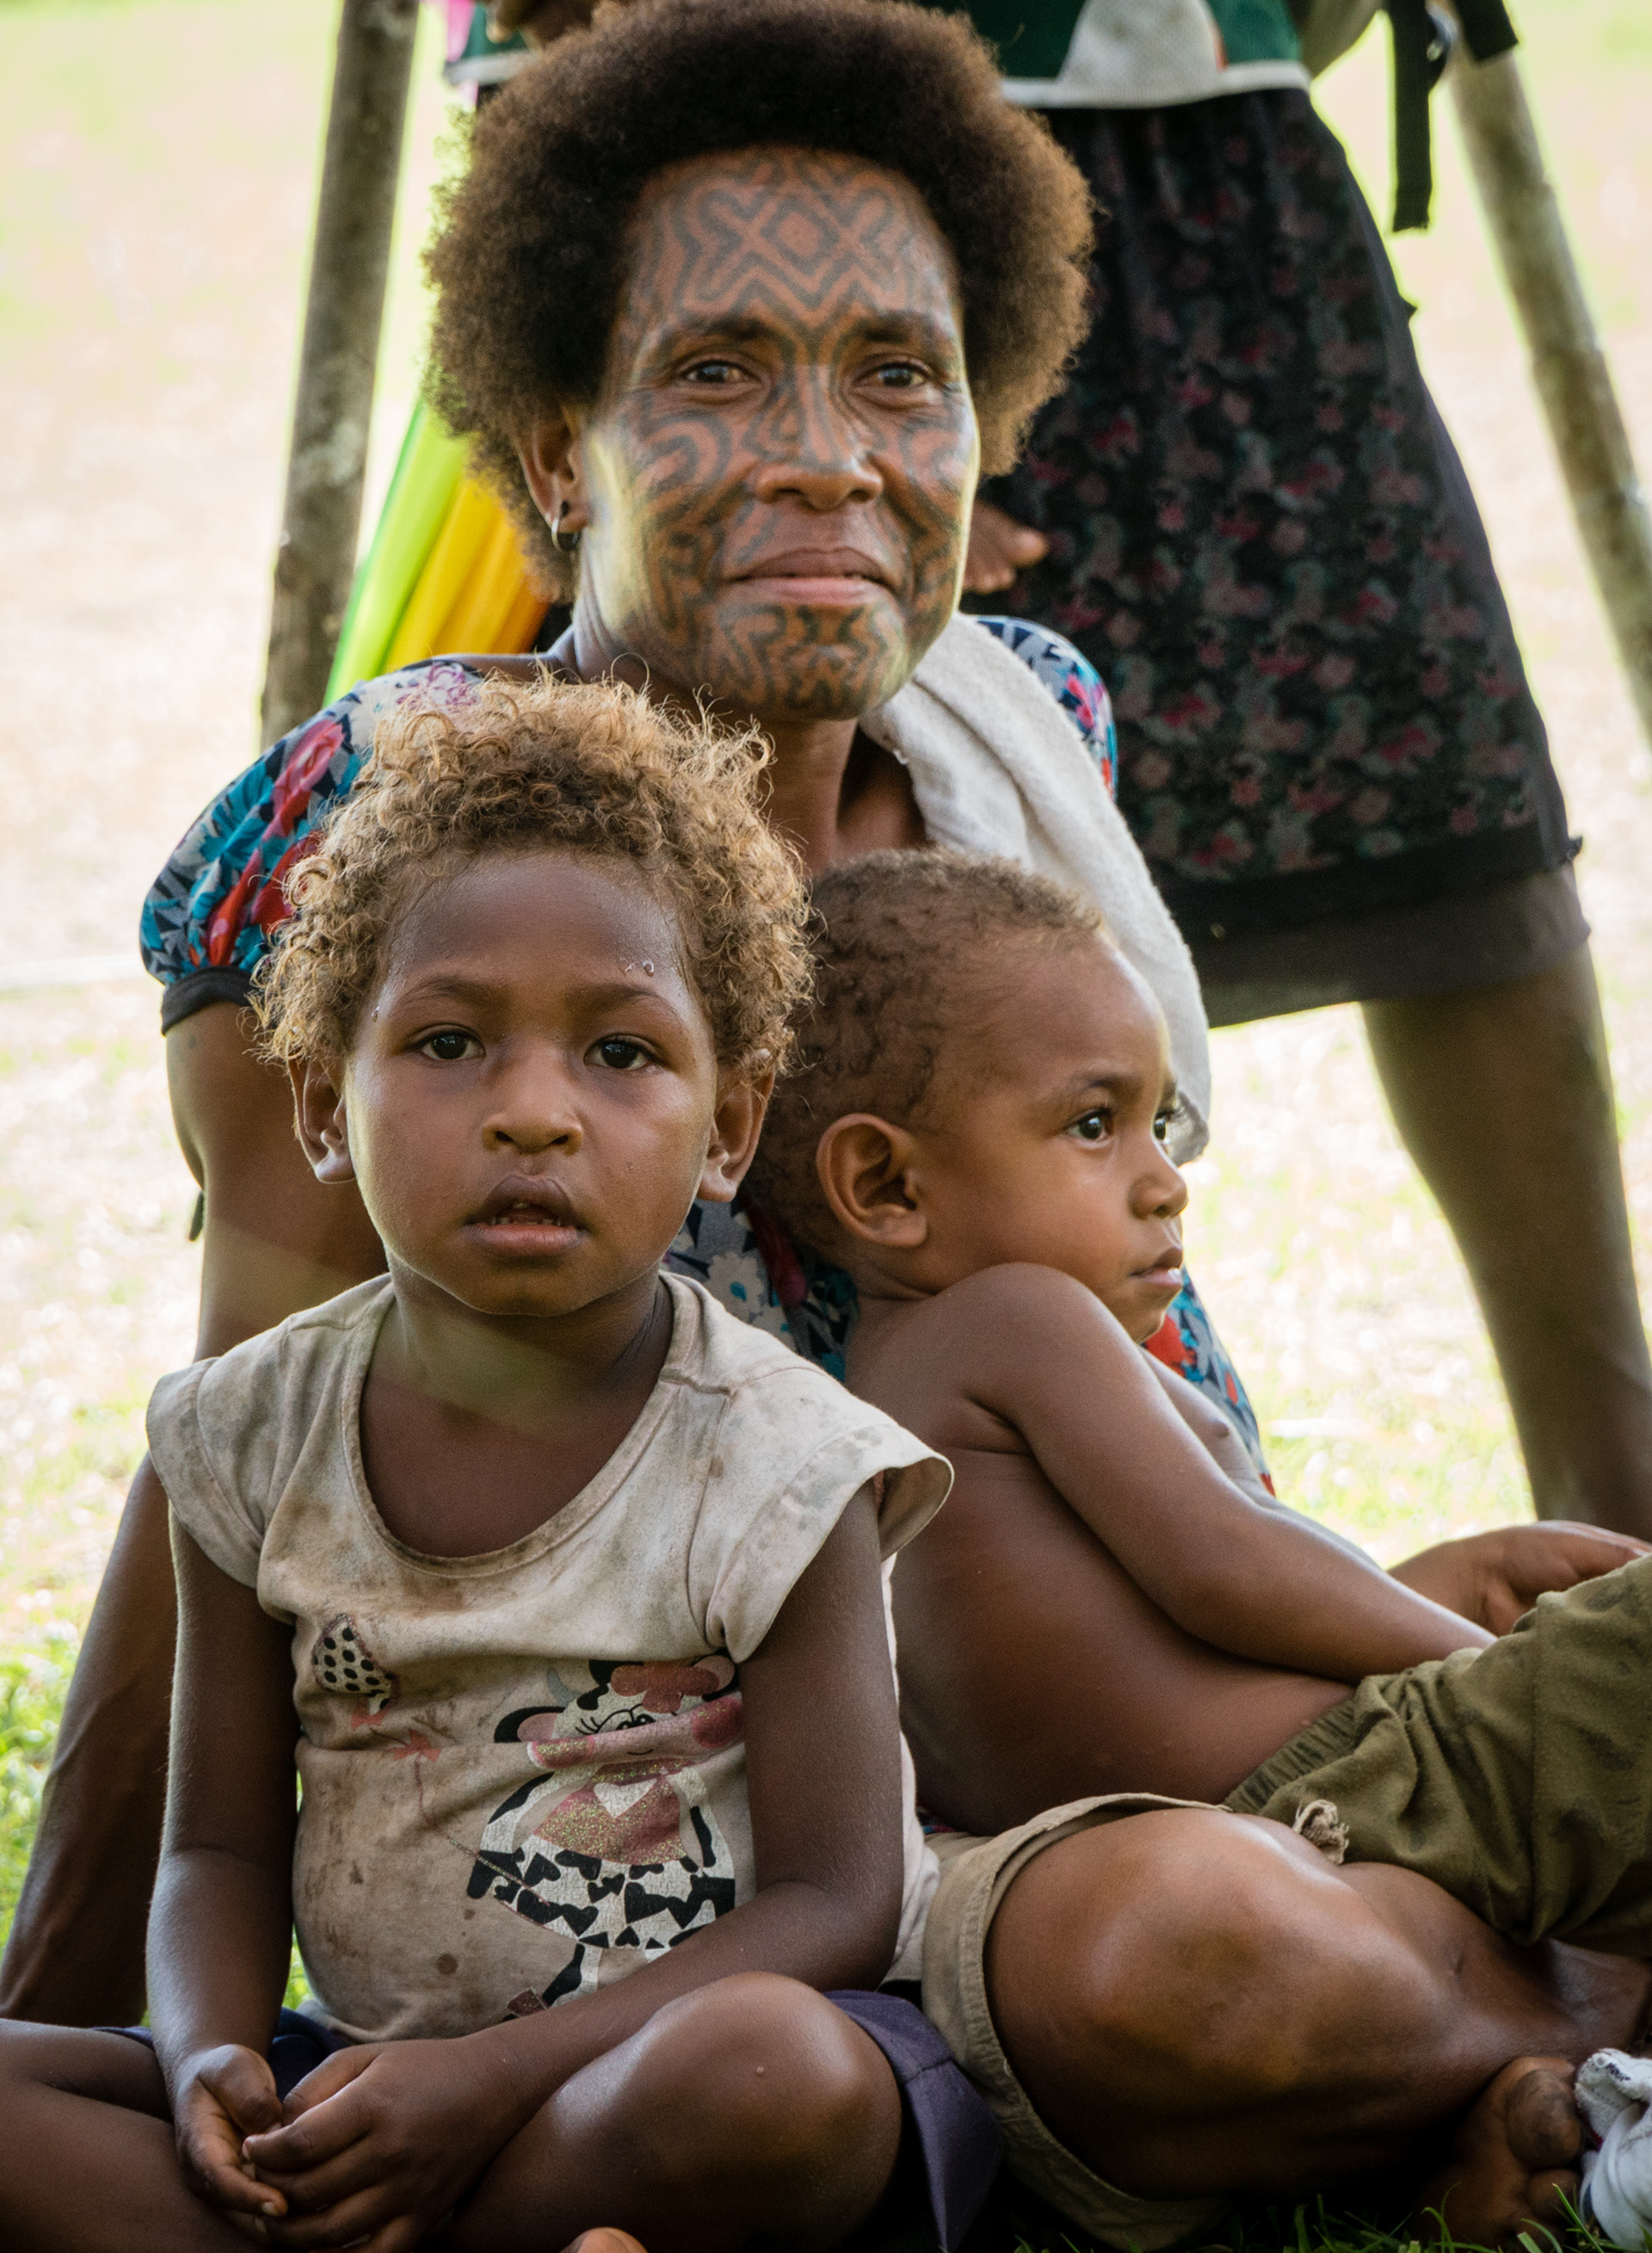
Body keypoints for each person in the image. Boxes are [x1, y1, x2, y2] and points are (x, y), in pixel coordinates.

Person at [4, 0, 1255, 2028]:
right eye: (718, 372)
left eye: (899, 379)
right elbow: (238, 1458)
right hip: (672, 1857)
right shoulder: (380, 818)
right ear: (548, 458)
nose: (830, 456)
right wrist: (66, 2021)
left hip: (1111, 1650)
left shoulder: (1020, 736)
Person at [0, 677, 1000, 2253]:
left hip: (657, 2075)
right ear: (326, 1101)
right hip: (366, 2080)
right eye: (452, 1041)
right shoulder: (244, 1437)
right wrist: (214, 2062)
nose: (534, 1113)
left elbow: (837, 1902)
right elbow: (213, 1846)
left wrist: (485, 2086)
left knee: (778, 2078)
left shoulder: (789, 1464)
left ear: (728, 1126)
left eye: (619, 1053)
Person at [745, 845, 1652, 2247]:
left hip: (1285, 1828)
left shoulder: (886, 1398)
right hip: (1345, 1778)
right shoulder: (1017, 1321)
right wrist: (1489, 1668)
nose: (1166, 1181)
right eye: (1096, 1125)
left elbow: (1146, 1635)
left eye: (1162, 1121)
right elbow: (1224, 1563)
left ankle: (1573, 2116)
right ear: (884, 1185)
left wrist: (1438, 1580)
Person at [951, 0, 1652, 1540]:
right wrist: (883, 382)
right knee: (963, 907)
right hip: (910, 180)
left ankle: (1623, 1507)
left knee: (1459, 820)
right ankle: (1095, 1532)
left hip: (1240, 179)